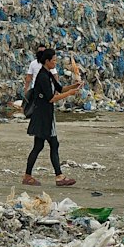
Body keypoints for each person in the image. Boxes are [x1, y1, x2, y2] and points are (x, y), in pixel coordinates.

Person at [23, 49, 82, 186]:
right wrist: (70, 93)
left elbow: (60, 89)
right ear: (47, 61)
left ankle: (28, 176)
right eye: (54, 60)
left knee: (39, 146)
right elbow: (51, 98)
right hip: (44, 116)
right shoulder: (43, 77)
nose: (56, 62)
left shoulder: (47, 74)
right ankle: (59, 177)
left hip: (43, 115)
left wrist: (75, 86)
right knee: (53, 144)